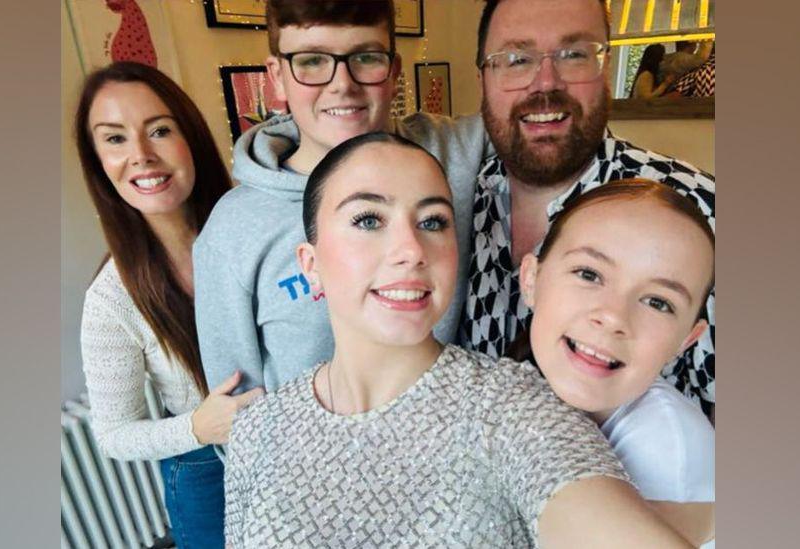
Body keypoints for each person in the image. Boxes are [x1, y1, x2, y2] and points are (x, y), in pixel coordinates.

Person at [224, 132, 692, 548]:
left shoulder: (516, 410)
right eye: (368, 219)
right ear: (310, 264)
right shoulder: (256, 431)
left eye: (432, 222)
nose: (411, 251)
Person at [195, 0, 489, 406]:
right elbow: (237, 408)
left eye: (365, 58)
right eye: (312, 61)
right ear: (276, 77)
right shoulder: (234, 229)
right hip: (313, 458)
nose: (342, 85)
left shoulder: (451, 151)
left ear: (395, 71)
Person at [463, 0, 717, 420]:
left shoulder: (703, 212)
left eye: (575, 54)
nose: (545, 83)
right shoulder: (452, 207)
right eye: (515, 59)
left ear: (605, 68)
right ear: (483, 80)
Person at [75, 62, 262, 549]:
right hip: (204, 464)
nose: (140, 155)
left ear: (191, 138)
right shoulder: (111, 299)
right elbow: (114, 435)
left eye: (158, 130)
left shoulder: (253, 230)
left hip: (296, 439)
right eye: (114, 139)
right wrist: (198, 427)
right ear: (98, 161)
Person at [512, 179, 716, 547]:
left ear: (686, 340)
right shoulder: (514, 390)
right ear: (531, 279)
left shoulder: (665, 444)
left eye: (658, 302)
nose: (613, 316)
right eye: (589, 274)